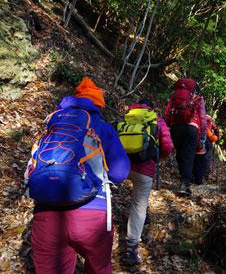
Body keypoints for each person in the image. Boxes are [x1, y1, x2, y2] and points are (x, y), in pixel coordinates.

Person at [29, 77, 131, 274]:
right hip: (92, 214)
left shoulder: (52, 125)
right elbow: (120, 173)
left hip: (46, 212)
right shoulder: (103, 128)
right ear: (98, 107)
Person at [123, 98, 173, 265]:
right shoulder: (157, 121)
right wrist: (157, 158)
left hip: (121, 167)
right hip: (144, 170)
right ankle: (131, 249)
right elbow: (167, 146)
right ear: (151, 108)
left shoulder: (126, 118)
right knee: (138, 205)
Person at [164, 78, 207, 195]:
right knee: (188, 155)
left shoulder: (174, 95)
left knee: (180, 154)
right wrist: (203, 133)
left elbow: (168, 111)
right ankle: (185, 183)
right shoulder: (198, 97)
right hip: (191, 128)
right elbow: (202, 117)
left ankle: (183, 179)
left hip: (176, 126)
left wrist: (165, 124)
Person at [192, 117, 218, 185]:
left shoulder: (194, 124)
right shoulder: (207, 125)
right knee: (206, 159)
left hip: (192, 147)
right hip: (204, 145)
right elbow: (213, 135)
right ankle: (204, 176)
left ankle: (192, 177)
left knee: (194, 161)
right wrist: (217, 137)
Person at [203, 115, 220, 180]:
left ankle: (198, 173)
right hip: (208, 140)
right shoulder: (211, 121)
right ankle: (206, 174)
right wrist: (217, 138)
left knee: (200, 156)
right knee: (208, 157)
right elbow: (216, 129)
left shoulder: (201, 120)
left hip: (200, 140)